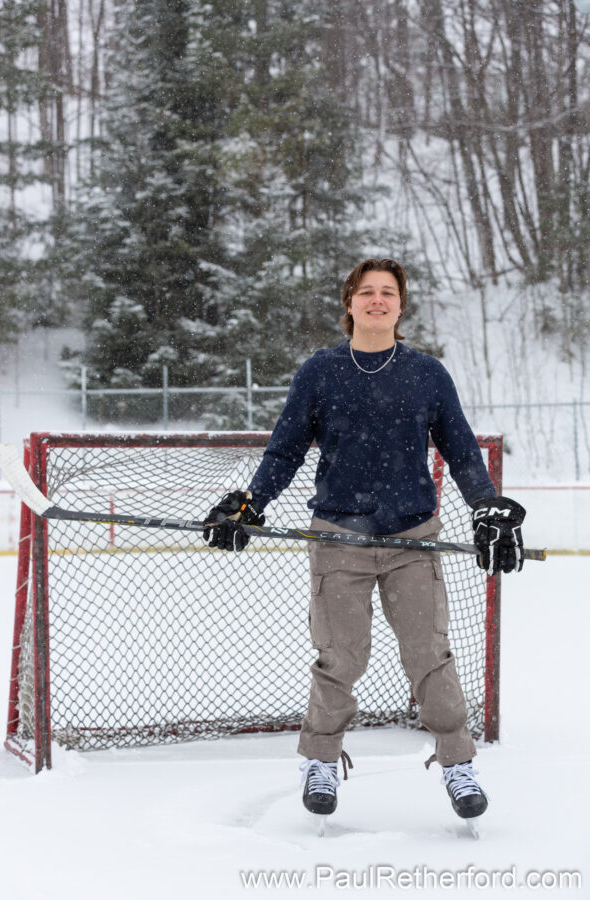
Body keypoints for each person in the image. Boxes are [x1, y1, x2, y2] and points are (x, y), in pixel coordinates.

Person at [202, 258, 526, 823]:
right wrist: (253, 501)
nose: (378, 300)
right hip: (339, 539)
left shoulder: (427, 374)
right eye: (367, 291)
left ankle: (458, 764)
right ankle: (320, 761)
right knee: (341, 657)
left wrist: (485, 503)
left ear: (401, 306)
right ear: (349, 302)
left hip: (413, 540)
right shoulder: (321, 371)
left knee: (428, 655)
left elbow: (461, 449)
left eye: (388, 293)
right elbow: (285, 449)